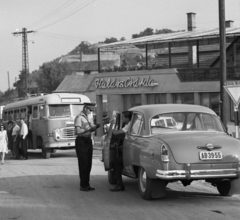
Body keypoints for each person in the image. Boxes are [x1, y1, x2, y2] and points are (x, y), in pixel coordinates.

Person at [74, 104, 100, 192]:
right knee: (83, 163)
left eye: (92, 110)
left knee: (88, 164)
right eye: (90, 110)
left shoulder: (88, 117)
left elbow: (90, 129)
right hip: (81, 141)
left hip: (88, 140)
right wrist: (88, 129)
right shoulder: (79, 117)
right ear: (85, 108)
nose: (91, 112)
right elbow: (78, 131)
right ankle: (83, 185)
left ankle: (87, 183)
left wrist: (95, 127)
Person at [110, 111, 132, 192]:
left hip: (128, 149)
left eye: (123, 117)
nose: (122, 119)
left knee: (116, 163)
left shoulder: (129, 125)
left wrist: (111, 129)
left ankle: (120, 184)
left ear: (127, 118)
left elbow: (116, 133)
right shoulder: (129, 124)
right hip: (128, 148)